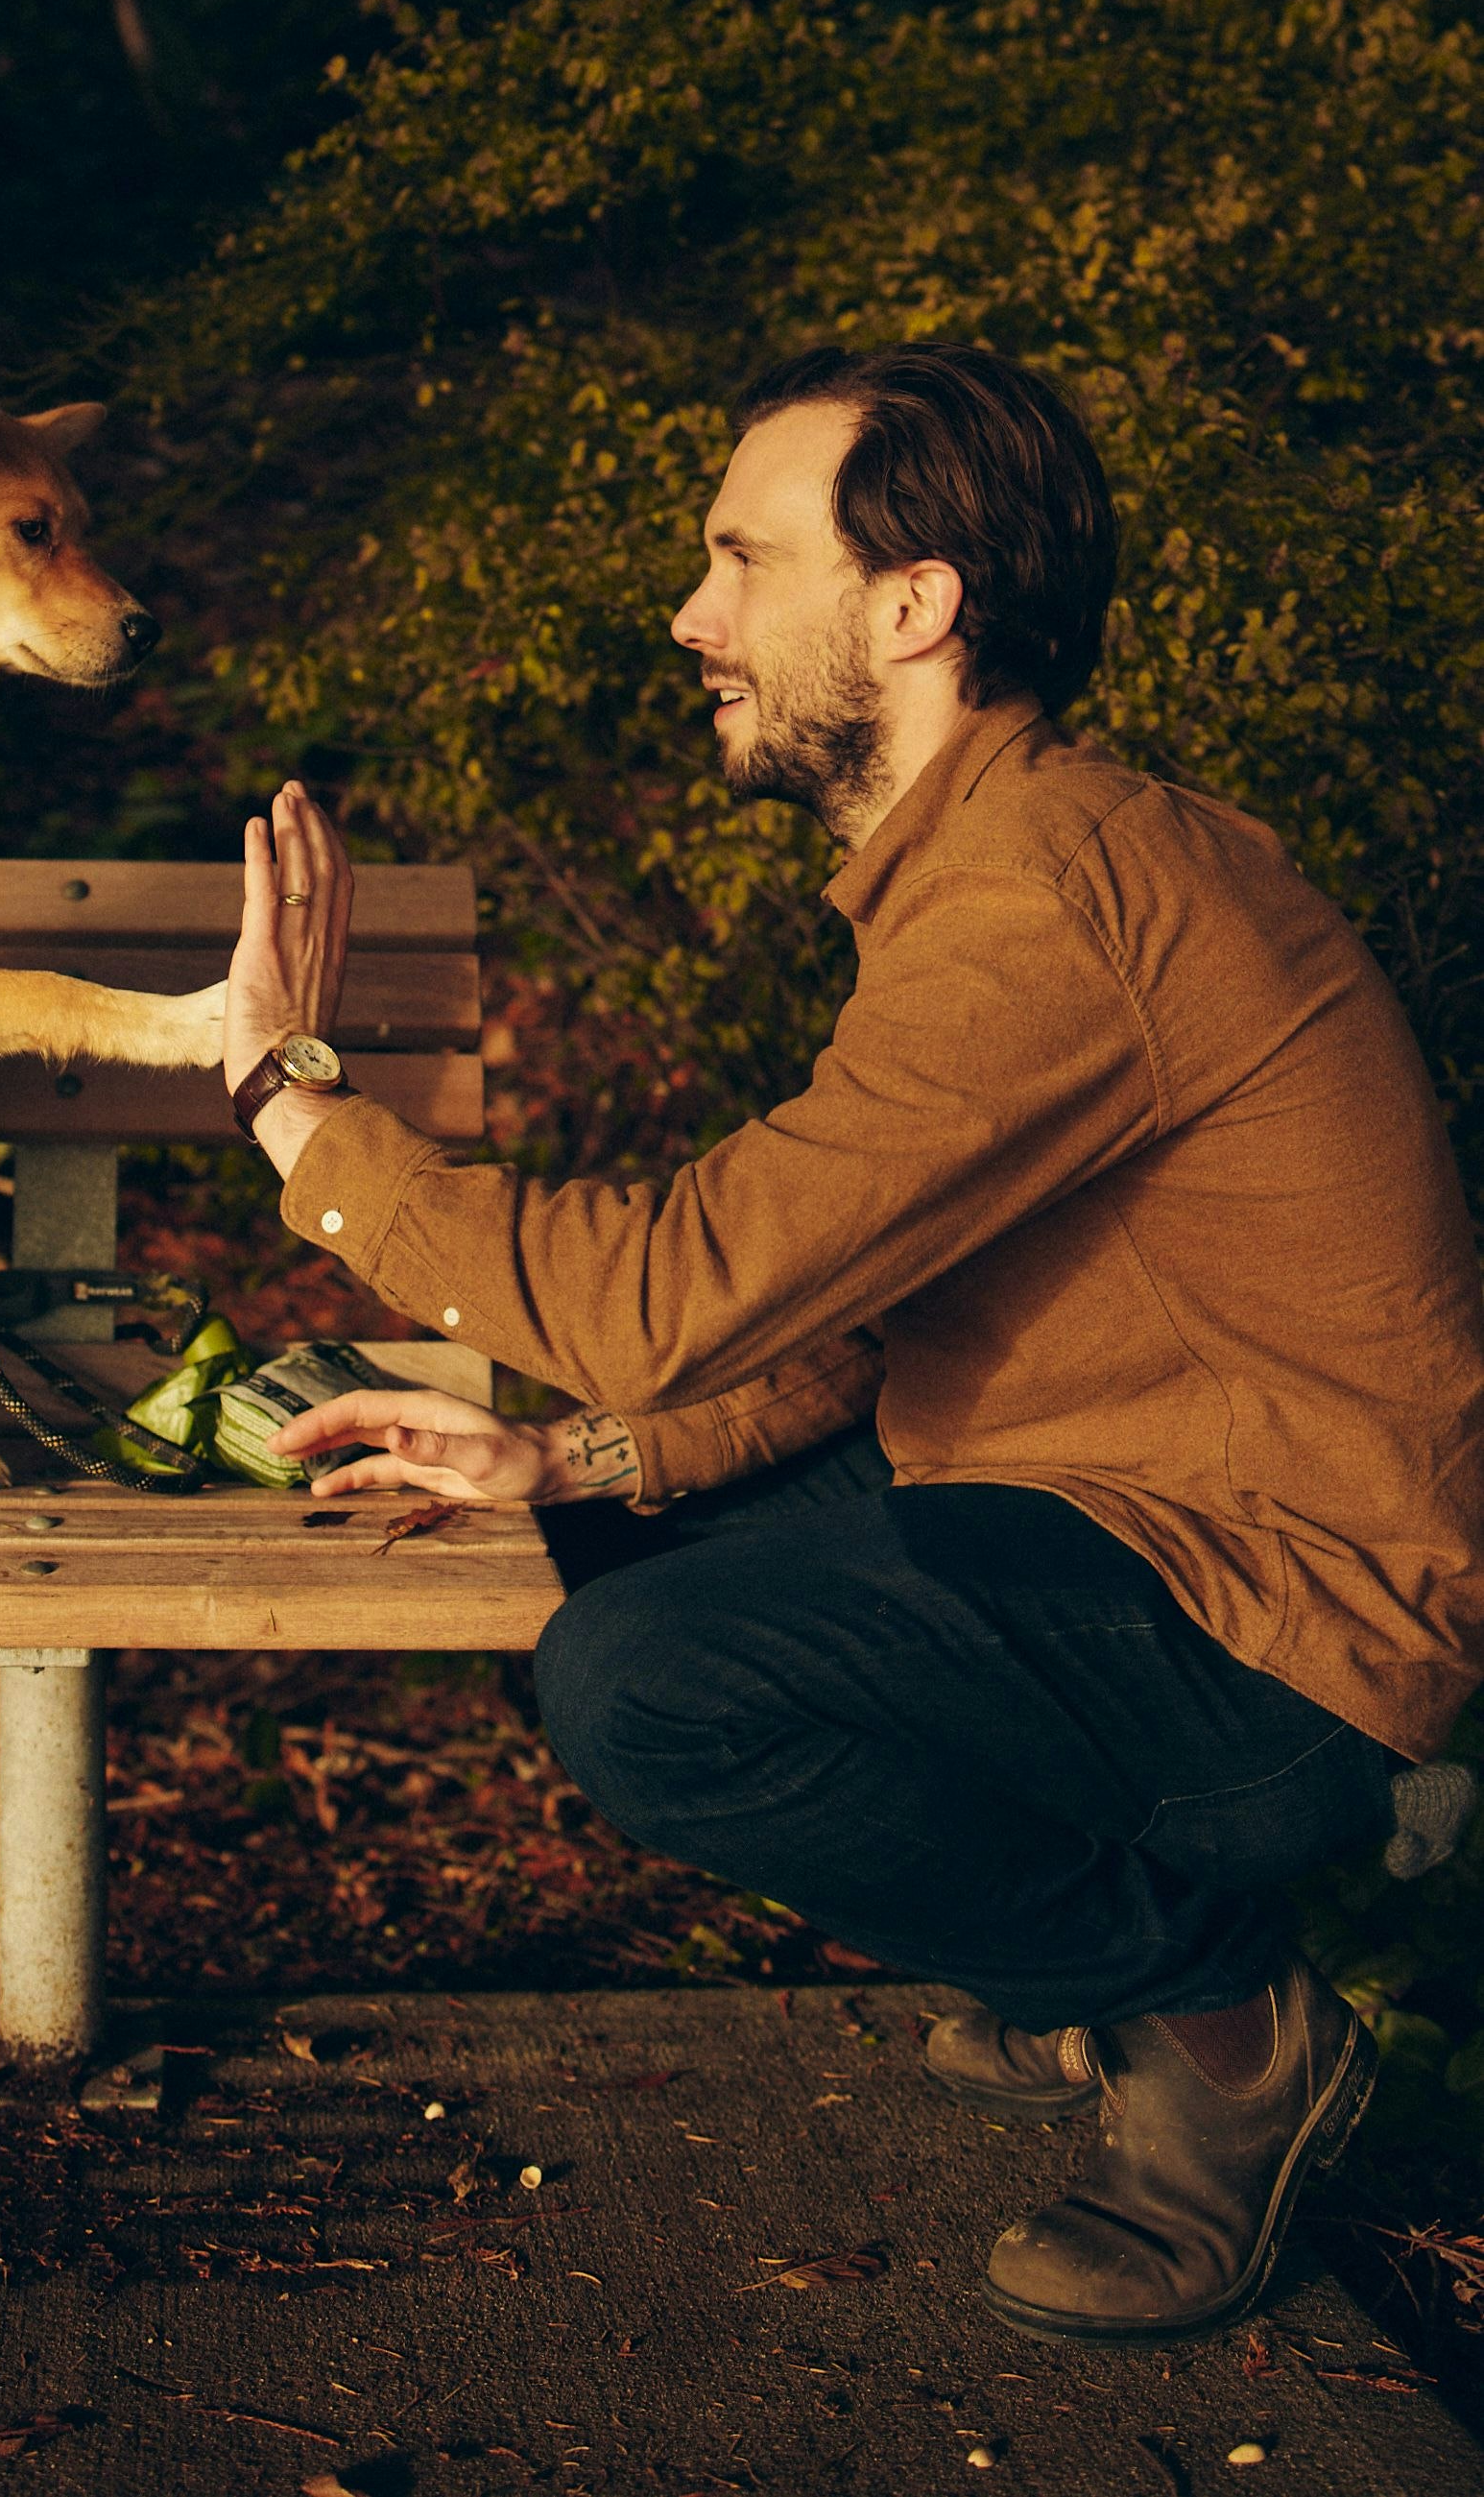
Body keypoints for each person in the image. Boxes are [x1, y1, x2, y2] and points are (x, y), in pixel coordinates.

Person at [213, 342, 1484, 2346]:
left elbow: (673, 1290)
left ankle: (1220, 2025)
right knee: (630, 1537)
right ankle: (1084, 1960)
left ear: (913, 606)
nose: (690, 615)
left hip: (1279, 1623)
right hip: (1120, 1503)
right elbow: (858, 1317)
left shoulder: (1052, 900)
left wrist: (290, 1098)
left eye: (740, 558)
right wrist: (580, 1461)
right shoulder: (1006, 855)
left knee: (646, 1684)